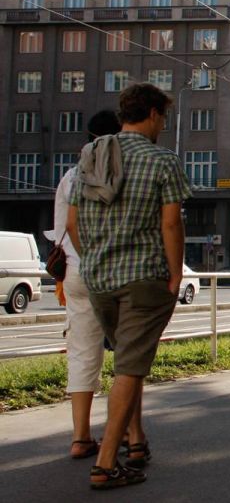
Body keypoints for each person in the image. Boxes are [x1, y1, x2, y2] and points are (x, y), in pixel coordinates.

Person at [66, 84, 190, 490]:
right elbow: (171, 223)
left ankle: (136, 442)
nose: (164, 125)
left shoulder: (93, 153)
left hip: (99, 277)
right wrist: (175, 274)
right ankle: (105, 463)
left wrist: (93, 258)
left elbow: (75, 221)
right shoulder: (162, 159)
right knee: (131, 367)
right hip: (143, 277)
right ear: (153, 114)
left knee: (126, 363)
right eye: (164, 118)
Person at [49, 110, 122, 461]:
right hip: (112, 271)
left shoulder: (70, 176)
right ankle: (126, 433)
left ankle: (80, 436)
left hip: (76, 273)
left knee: (82, 351)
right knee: (127, 351)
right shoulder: (120, 173)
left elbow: (63, 227)